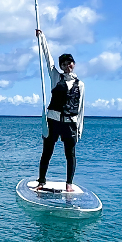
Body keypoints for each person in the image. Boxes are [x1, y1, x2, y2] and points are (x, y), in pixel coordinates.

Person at [35, 34, 85, 191]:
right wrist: (42, 38)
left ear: (73, 64)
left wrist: (79, 129)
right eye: (63, 64)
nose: (66, 66)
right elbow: (48, 59)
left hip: (70, 123)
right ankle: (41, 181)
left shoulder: (80, 84)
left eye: (69, 63)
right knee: (47, 152)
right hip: (53, 120)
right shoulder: (56, 77)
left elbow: (81, 108)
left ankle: (69, 184)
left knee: (70, 155)